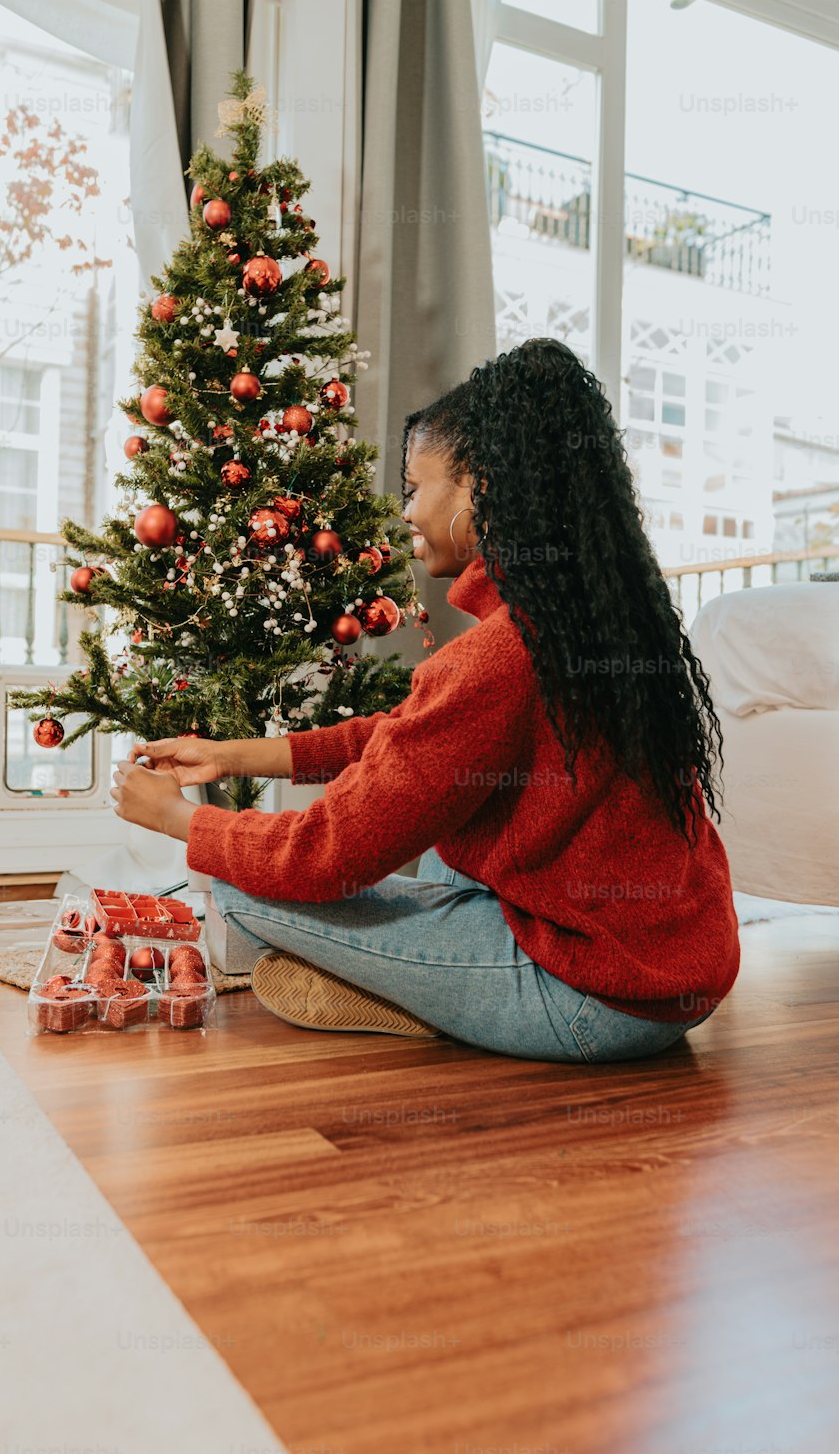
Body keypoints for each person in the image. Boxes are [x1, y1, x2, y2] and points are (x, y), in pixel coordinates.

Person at [110, 337, 740, 1063]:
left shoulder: (501, 655)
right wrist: (235, 755)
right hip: (676, 969)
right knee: (438, 840)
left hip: (596, 1003)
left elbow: (325, 855)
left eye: (415, 487)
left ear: (478, 484)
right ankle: (429, 983)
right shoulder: (581, 619)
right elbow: (416, 735)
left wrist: (179, 819)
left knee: (237, 887)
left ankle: (418, 990)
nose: (404, 509)